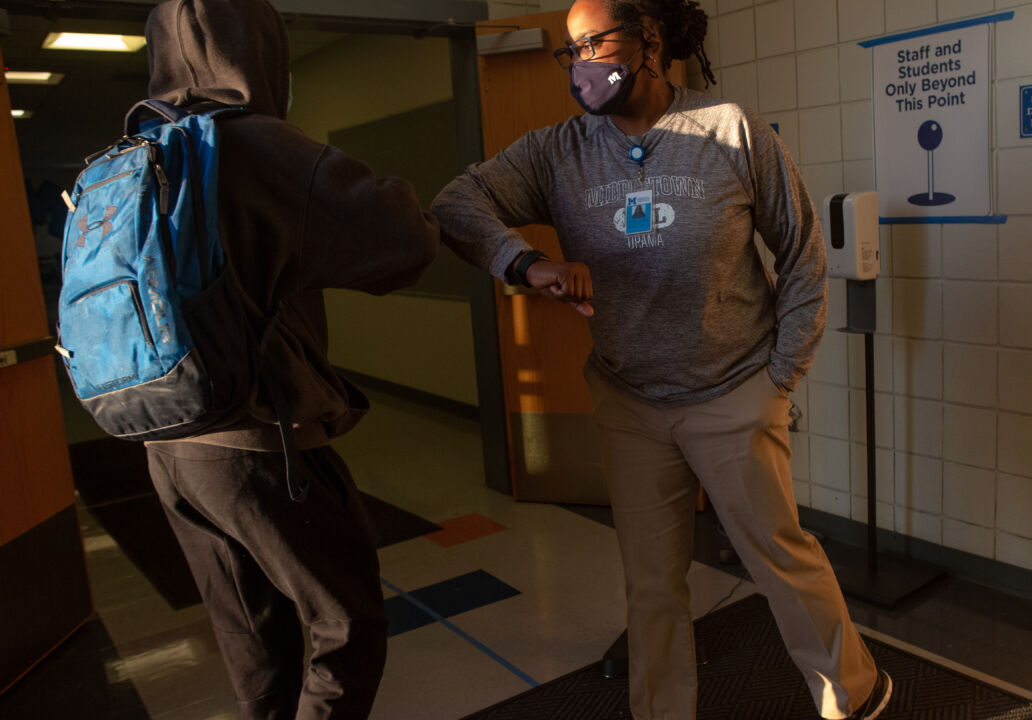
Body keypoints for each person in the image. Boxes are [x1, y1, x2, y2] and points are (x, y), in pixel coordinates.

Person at [430, 0, 891, 717]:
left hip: (734, 390)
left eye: (594, 44)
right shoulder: (559, 151)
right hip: (631, 402)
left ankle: (852, 694)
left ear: (650, 42)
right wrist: (523, 264)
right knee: (651, 583)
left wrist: (780, 377)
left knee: (781, 559)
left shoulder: (730, 131)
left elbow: (801, 252)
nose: (581, 63)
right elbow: (456, 203)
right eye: (570, 51)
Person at [139, 1, 439, 718]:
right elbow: (401, 243)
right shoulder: (252, 143)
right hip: (259, 441)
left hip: (168, 442)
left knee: (251, 634)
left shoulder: (139, 146)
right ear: (260, 49)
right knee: (347, 624)